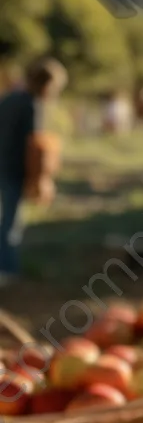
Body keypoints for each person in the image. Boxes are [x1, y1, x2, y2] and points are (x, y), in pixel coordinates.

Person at [0, 57, 67, 281]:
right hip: (14, 169)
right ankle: (7, 270)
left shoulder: (9, 98)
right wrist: (40, 179)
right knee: (11, 223)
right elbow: (33, 144)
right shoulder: (31, 105)